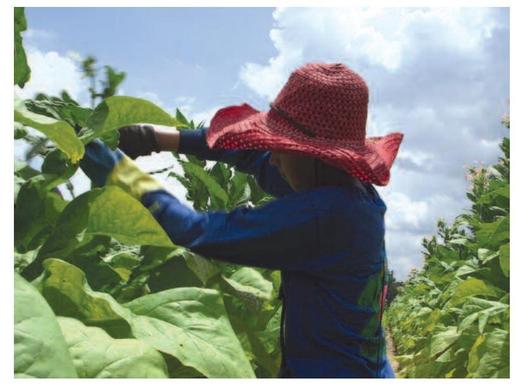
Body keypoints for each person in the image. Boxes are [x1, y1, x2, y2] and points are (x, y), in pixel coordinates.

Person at [79, 62, 404, 378]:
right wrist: (157, 138)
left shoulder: (325, 217)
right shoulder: (350, 193)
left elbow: (195, 230)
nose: (273, 156)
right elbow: (252, 155)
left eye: (282, 147)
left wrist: (116, 171)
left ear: (314, 155)